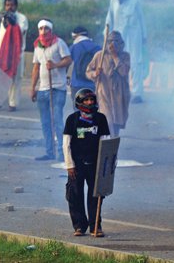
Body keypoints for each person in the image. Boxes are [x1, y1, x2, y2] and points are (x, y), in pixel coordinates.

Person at [63, 88, 110, 237]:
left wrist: (105, 164)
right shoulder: (72, 119)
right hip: (76, 165)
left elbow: (106, 141)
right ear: (79, 102)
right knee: (75, 195)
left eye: (92, 100)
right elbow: (66, 144)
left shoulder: (100, 119)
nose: (90, 103)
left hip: (95, 164)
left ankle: (95, 226)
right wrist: (70, 165)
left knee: (96, 195)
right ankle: (79, 226)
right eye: (86, 100)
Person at [30, 19, 72, 161]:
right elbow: (36, 67)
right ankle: (49, 152)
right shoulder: (38, 46)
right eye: (41, 28)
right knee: (46, 122)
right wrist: (33, 88)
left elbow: (68, 60)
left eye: (46, 28)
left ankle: (62, 153)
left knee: (57, 121)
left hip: (57, 88)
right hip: (43, 88)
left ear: (51, 30)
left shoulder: (59, 43)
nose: (43, 31)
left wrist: (55, 65)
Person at [104, 0, 147, 104]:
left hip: (134, 37)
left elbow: (141, 18)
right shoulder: (113, 0)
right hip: (118, 39)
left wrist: (144, 35)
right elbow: (109, 19)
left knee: (135, 62)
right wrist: (106, 35)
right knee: (119, 64)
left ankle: (137, 93)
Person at [86, 31, 131, 137]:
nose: (113, 44)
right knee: (108, 121)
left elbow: (124, 71)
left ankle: (112, 149)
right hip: (104, 93)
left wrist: (115, 56)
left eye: (116, 42)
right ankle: (105, 147)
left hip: (120, 95)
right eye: (110, 41)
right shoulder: (99, 56)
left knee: (116, 124)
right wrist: (95, 73)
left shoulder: (125, 56)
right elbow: (88, 71)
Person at [0, 0, 28, 111]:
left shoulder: (22, 18)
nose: (9, 7)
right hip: (2, 52)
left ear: (16, 6)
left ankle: (12, 103)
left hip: (16, 54)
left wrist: (13, 22)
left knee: (15, 79)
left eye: (12, 5)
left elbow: (19, 32)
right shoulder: (4, 18)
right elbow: (3, 37)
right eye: (7, 5)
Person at [69, 27, 102, 99]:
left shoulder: (73, 47)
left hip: (77, 83)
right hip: (93, 83)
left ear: (75, 36)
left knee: (78, 107)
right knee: (92, 108)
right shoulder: (98, 47)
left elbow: (67, 62)